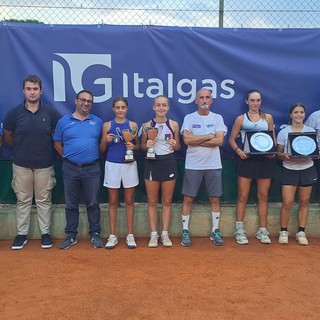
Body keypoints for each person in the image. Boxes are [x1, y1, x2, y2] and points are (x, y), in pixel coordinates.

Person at [3, 74, 60, 250]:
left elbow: (57, 137)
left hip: (45, 164)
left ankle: (45, 234)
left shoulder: (50, 113)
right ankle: (21, 235)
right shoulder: (14, 113)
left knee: (44, 201)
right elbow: (8, 136)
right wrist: (22, 150)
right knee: (23, 200)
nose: (32, 92)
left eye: (35, 89)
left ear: (41, 91)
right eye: (29, 89)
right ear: (23, 91)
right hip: (21, 165)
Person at [53, 90, 104, 249]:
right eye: (83, 100)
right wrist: (68, 158)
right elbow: (57, 143)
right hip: (70, 169)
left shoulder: (98, 122)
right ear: (76, 101)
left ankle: (95, 234)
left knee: (93, 203)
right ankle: (71, 235)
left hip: (92, 168)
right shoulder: (63, 121)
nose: (86, 103)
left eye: (89, 101)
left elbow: (102, 145)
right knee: (71, 204)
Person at [180, 88, 227, 247]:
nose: (204, 100)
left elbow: (219, 141)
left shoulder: (218, 118)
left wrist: (196, 139)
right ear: (196, 100)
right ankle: (185, 231)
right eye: (201, 98)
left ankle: (215, 231)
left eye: (207, 97)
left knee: (214, 198)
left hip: (213, 164)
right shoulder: (189, 118)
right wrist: (208, 136)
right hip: (193, 164)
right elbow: (187, 140)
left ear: (211, 100)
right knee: (188, 198)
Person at [229, 89, 276, 245]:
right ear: (247, 102)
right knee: (243, 196)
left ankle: (263, 230)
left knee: (263, 196)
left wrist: (272, 152)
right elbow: (231, 140)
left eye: (258, 100)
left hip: (265, 162)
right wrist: (239, 151)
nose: (255, 103)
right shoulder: (241, 119)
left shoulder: (268, 118)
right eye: (252, 100)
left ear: (261, 102)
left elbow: (273, 141)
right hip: (247, 160)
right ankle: (239, 230)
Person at [99, 97, 139, 249]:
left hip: (129, 165)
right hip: (112, 164)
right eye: (118, 107)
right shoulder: (106, 125)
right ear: (113, 109)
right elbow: (102, 150)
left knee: (129, 200)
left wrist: (133, 147)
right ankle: (112, 235)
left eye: (123, 107)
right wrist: (106, 140)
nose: (120, 110)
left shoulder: (133, 125)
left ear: (127, 109)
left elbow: (137, 146)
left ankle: (130, 235)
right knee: (113, 201)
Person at [140, 95, 181, 248]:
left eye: (164, 105)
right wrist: (147, 144)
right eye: (158, 105)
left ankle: (164, 233)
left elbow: (178, 148)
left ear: (168, 108)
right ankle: (153, 234)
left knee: (167, 201)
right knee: (152, 201)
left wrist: (175, 144)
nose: (161, 108)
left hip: (168, 162)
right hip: (152, 163)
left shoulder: (174, 125)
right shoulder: (146, 125)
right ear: (153, 107)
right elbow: (142, 147)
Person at [277, 103, 317, 245]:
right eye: (296, 112)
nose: (299, 115)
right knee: (287, 202)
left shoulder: (311, 131)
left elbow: (316, 151)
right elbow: (278, 153)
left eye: (301, 112)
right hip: (289, 169)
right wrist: (285, 156)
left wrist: (315, 154)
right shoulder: (283, 132)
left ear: (304, 114)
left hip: (307, 169)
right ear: (291, 115)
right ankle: (283, 231)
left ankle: (301, 232)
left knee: (304, 202)